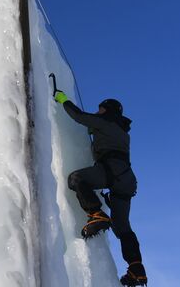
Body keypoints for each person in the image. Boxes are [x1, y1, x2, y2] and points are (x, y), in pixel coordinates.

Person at [54, 91, 147, 287]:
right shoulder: (121, 129)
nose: (98, 111)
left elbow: (79, 116)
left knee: (76, 178)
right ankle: (136, 268)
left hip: (111, 171)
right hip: (126, 179)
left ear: (108, 110)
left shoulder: (107, 120)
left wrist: (63, 100)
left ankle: (96, 213)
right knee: (122, 228)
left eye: (101, 108)